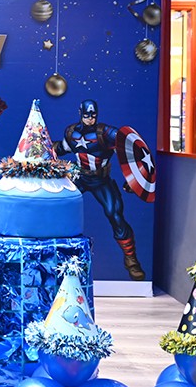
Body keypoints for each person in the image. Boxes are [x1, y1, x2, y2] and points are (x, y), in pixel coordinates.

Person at [54, 99, 146, 281]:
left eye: (93, 115)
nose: (90, 118)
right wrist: (41, 147)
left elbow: (131, 151)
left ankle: (131, 259)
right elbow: (62, 148)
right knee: (57, 206)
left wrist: (135, 179)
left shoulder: (106, 133)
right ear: (80, 113)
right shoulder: (71, 132)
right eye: (87, 115)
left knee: (115, 214)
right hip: (79, 177)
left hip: (101, 181)